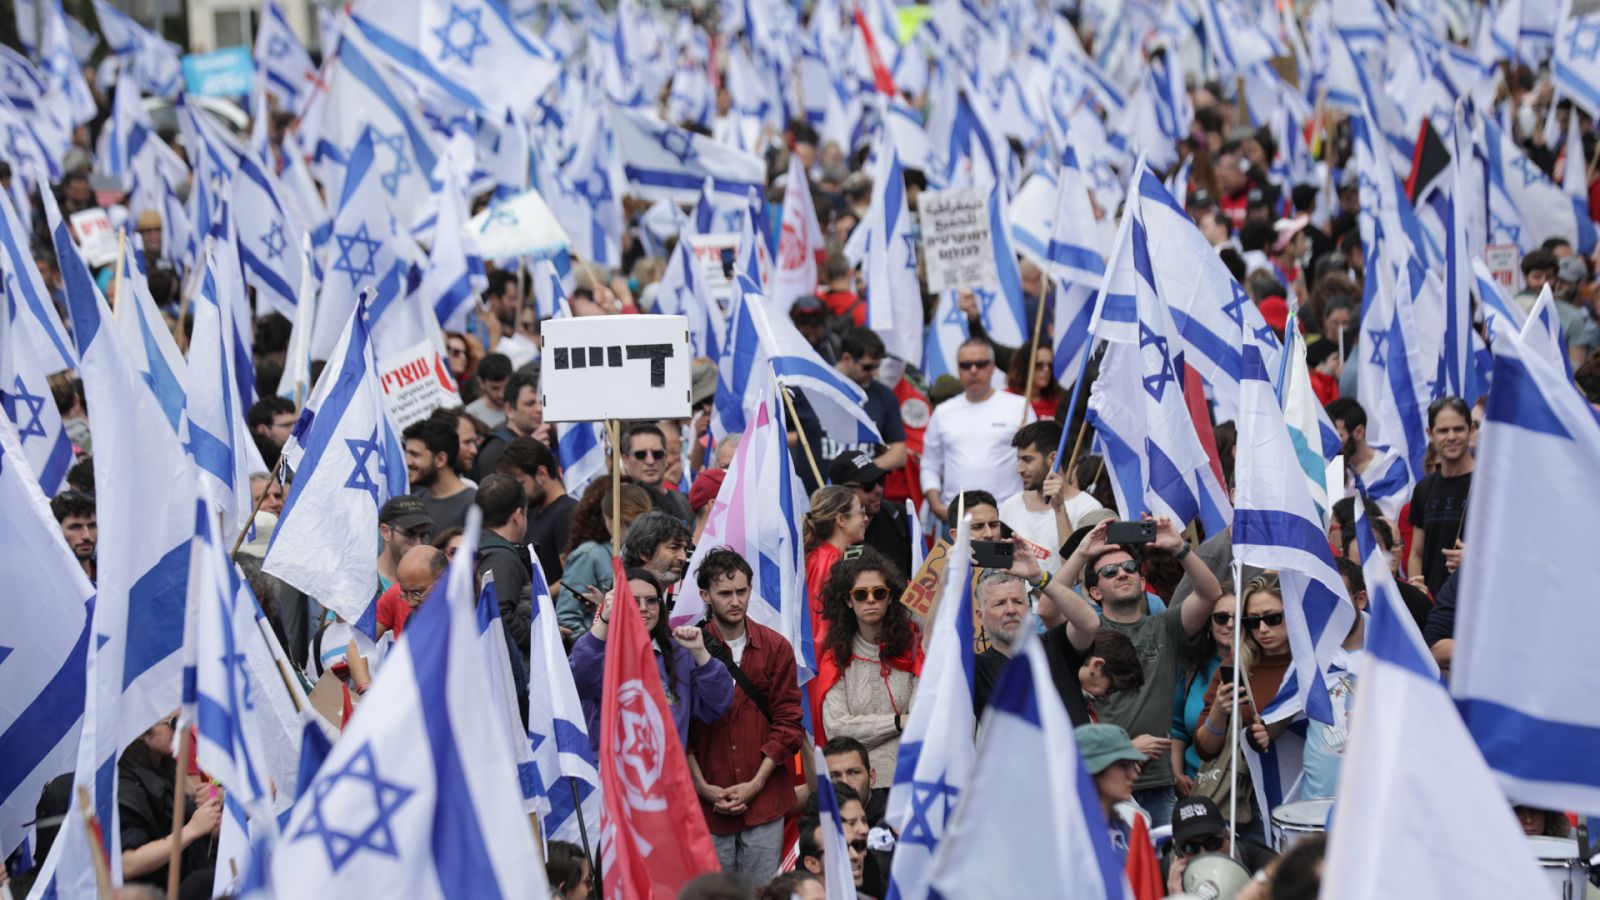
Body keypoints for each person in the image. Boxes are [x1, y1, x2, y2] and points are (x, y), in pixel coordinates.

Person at [1057, 517, 1224, 828]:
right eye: (1110, 571)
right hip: (1103, 781)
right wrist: (1081, 553)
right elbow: (1048, 606)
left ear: (1142, 579)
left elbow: (1210, 594)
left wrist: (1180, 548)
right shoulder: (1086, 633)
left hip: (1159, 783)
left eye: (1130, 568)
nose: (1122, 572)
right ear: (1094, 592)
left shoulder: (1165, 626)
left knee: (1157, 873)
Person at [688, 549, 804, 887]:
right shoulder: (688, 647)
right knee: (713, 896)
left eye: (742, 591)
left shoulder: (775, 647)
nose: (736, 601)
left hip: (764, 799)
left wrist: (756, 783)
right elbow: (680, 730)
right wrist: (701, 787)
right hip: (708, 801)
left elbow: (788, 723)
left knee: (761, 893)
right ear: (705, 596)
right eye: (725, 593)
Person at [569, 567, 734, 750]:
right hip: (613, 774)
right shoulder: (599, 649)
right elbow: (579, 683)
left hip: (666, 774)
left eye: (651, 601)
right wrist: (605, 620)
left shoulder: (679, 652)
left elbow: (717, 705)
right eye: (632, 601)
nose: (643, 609)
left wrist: (701, 654)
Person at [1193, 573, 1296, 828]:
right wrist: (1219, 711)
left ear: (1293, 613)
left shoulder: (1313, 664)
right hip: (1247, 801)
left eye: (1273, 619)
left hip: (1304, 790)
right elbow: (1205, 748)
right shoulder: (1235, 664)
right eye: (1252, 621)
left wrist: (1275, 727)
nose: (1262, 629)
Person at [816, 547, 922, 780]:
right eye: (861, 594)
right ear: (848, 600)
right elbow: (836, 730)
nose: (871, 599)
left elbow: (921, 721)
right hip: (858, 790)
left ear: (891, 596)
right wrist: (898, 722)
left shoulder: (914, 649)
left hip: (910, 779)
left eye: (880, 593)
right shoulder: (835, 660)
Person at [919, 337, 1035, 523]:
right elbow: (930, 464)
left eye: (980, 364)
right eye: (966, 365)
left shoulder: (1019, 407)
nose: (973, 370)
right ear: (958, 369)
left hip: (1008, 516)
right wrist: (935, 504)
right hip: (957, 516)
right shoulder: (943, 412)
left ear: (992, 367)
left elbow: (1035, 463)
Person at [117, 716, 221, 892]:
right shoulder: (125, 784)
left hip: (188, 872)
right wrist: (192, 830)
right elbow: (128, 864)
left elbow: (203, 801)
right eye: (168, 722)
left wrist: (223, 796)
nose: (176, 728)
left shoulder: (166, 766)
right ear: (141, 731)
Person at [554, 481, 652, 637]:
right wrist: (597, 644)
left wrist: (602, 604)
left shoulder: (651, 554)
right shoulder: (590, 555)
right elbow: (566, 621)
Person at [1171, 583, 1236, 795]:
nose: (1230, 624)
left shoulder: (1259, 667)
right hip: (1198, 785)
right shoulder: (1190, 669)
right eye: (1221, 617)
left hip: (1244, 787)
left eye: (1239, 617)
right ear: (1209, 623)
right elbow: (1178, 728)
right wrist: (1176, 772)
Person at [1408, 397, 1474, 594]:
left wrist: (1476, 558)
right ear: (1430, 433)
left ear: (1470, 430)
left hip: (1476, 603)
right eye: (1443, 431)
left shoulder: (1491, 486)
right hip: (1433, 611)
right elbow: (1417, 553)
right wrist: (1417, 590)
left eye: (1459, 429)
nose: (1451, 436)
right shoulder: (1422, 489)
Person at [823, 327, 907, 473]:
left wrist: (864, 470)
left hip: (865, 491)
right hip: (816, 489)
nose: (874, 373)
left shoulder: (884, 396)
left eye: (877, 366)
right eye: (867, 367)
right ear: (847, 359)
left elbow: (899, 452)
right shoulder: (816, 387)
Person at [999, 420, 1075, 574]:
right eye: (1018, 460)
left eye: (1027, 460)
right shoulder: (1009, 507)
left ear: (1053, 459)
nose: (1019, 469)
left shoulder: (1088, 509)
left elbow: (1077, 577)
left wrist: (1060, 510)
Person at [495, 436, 574, 581]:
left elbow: (572, 577)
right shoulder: (531, 512)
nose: (515, 492)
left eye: (520, 483)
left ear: (541, 474)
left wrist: (538, 597)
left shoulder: (566, 514)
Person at [828, 451, 914, 580]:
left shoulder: (898, 515)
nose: (878, 489)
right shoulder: (828, 532)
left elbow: (921, 573)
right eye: (868, 485)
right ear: (843, 490)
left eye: (880, 481)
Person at [474, 474, 533, 658]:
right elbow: (498, 619)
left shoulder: (471, 545)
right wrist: (541, 631)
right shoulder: (502, 558)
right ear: (517, 515)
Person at [802, 484, 869, 643]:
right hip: (827, 662)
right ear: (841, 520)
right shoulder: (831, 563)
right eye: (860, 512)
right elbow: (821, 628)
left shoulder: (820, 555)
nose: (865, 518)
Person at [1077, 723, 1148, 862]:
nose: (1133, 776)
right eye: (1124, 765)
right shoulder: (1072, 835)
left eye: (1133, 765)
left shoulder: (1124, 828)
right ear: (1095, 769)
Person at [403, 418, 477, 531]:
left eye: (415, 455)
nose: (407, 461)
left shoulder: (473, 504)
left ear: (441, 459)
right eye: (407, 453)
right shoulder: (415, 503)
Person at [474, 370, 547, 481]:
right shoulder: (495, 451)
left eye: (542, 402)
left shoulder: (548, 438)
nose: (539, 409)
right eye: (530, 403)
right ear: (509, 410)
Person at [622, 423, 694, 523]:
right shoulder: (619, 506)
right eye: (641, 454)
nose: (650, 461)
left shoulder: (685, 502)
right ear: (626, 461)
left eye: (657, 454)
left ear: (665, 457)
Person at [1165, 797, 1237, 896]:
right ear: (1178, 850)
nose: (1203, 854)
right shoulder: (1157, 876)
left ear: (1228, 837)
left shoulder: (1257, 865)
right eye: (1190, 847)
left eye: (1212, 843)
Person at [376, 545, 446, 639]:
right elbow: (358, 645)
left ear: (443, 580)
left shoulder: (467, 618)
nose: (410, 603)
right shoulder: (411, 619)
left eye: (416, 593)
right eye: (405, 593)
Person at [619, 510, 692, 591]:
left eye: (685, 549)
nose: (683, 557)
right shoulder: (622, 598)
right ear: (644, 552)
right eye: (674, 547)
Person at [822, 736, 887, 827]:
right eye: (834, 776)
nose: (845, 782)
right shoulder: (822, 823)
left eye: (854, 772)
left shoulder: (895, 819)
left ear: (871, 777)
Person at [377, 495, 433, 592]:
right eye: (409, 534)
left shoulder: (429, 581)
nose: (419, 544)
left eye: (423, 536)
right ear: (385, 532)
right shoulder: (367, 580)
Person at [1005, 342, 1059, 421]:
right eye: (1039, 365)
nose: (1046, 370)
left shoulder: (1056, 401)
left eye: (1050, 365)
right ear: (1024, 366)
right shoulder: (1007, 398)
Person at [51, 490, 96, 581]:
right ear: (56, 530)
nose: (87, 536)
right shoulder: (46, 582)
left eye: (92, 526)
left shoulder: (114, 579)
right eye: (76, 527)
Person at [464, 352, 511, 429]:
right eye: (495, 388)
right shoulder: (471, 415)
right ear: (481, 383)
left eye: (506, 386)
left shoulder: (522, 407)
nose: (501, 394)